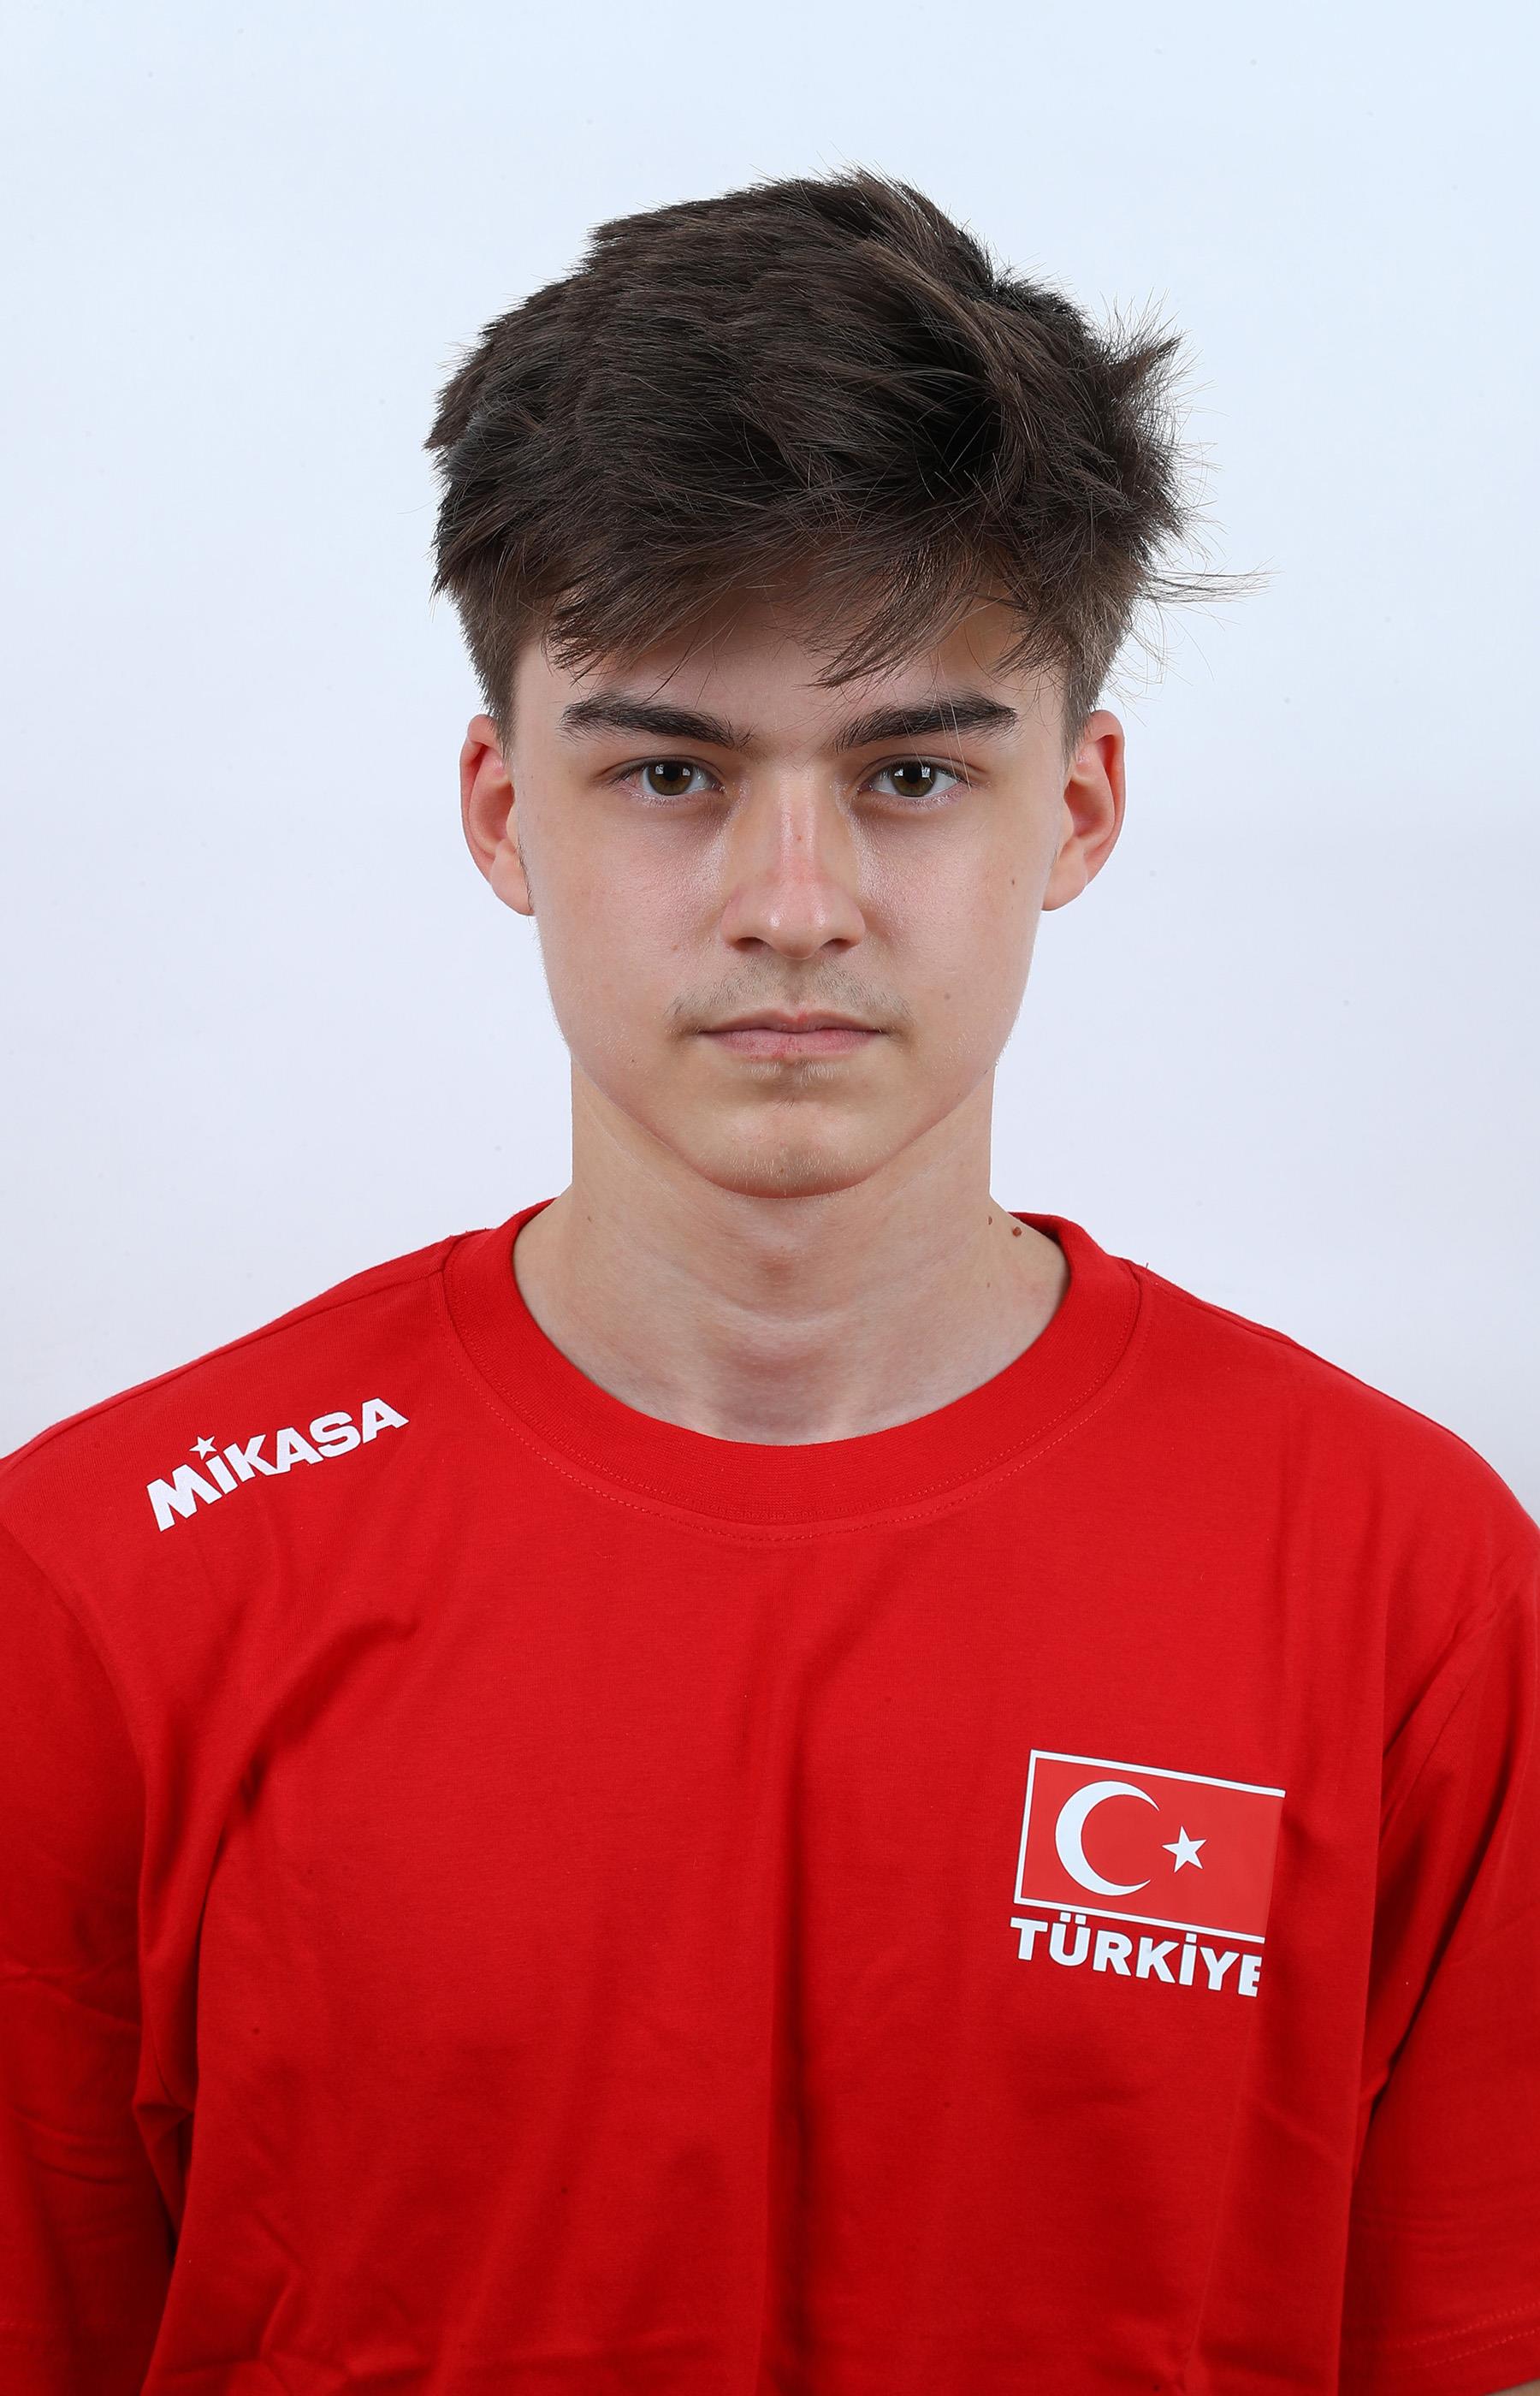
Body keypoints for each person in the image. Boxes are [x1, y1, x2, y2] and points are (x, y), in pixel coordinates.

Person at [1, 166, 1535, 2396]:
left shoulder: (1407, 1589)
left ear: (1078, 809)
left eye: (910, 770)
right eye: (670, 769)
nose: (793, 902)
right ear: (502, 809)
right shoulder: (101, 1587)